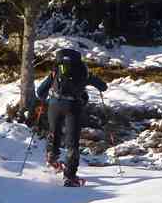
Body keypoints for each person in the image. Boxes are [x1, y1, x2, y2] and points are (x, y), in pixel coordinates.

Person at [33, 46, 108, 186]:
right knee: (72, 144)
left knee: (54, 134)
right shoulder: (82, 71)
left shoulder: (56, 71)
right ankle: (70, 176)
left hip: (54, 105)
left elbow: (40, 92)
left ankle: (52, 161)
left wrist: (46, 100)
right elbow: (103, 87)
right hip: (73, 107)